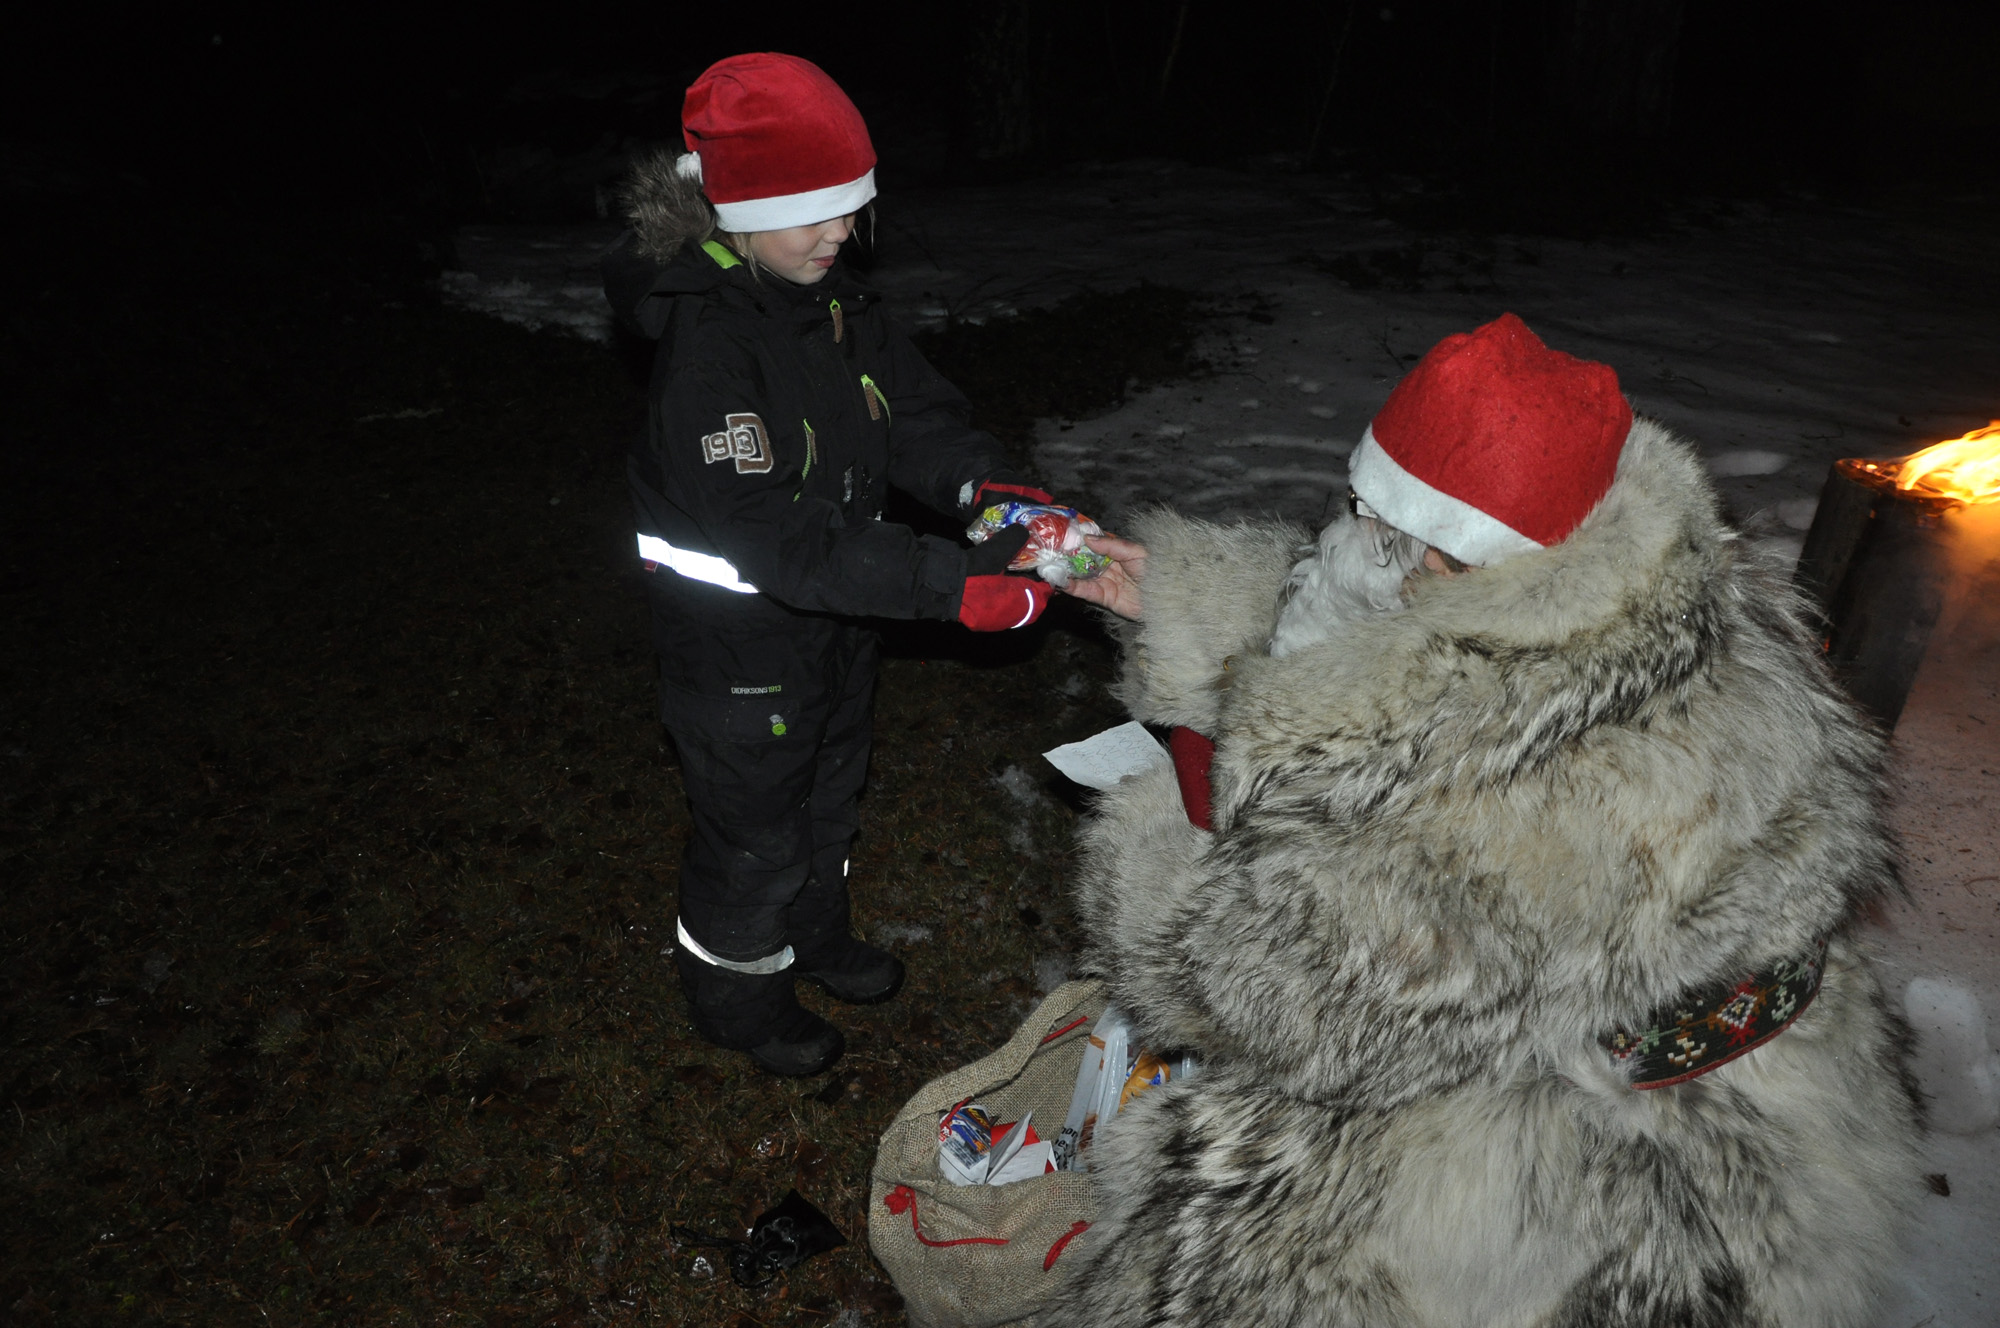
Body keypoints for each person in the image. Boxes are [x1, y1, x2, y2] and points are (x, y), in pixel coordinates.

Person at [1049, 314, 1922, 1326]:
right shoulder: (1636, 602)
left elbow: (1249, 992)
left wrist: (1150, 819)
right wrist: (1183, 596)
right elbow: (1398, 634)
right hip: (1729, 1089)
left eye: (1417, 543)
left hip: (1608, 1200)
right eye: (1366, 513)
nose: (1377, 550)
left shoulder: (1536, 820)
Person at [602, 53, 1063, 1077]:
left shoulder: (829, 300)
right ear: (733, 209)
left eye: (850, 209)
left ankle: (815, 932)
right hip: (735, 652)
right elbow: (777, 535)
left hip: (832, 627)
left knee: (827, 792)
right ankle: (738, 993)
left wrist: (983, 490)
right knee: (752, 834)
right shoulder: (709, 352)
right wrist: (951, 583)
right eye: (810, 210)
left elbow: (913, 414)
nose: (838, 234)